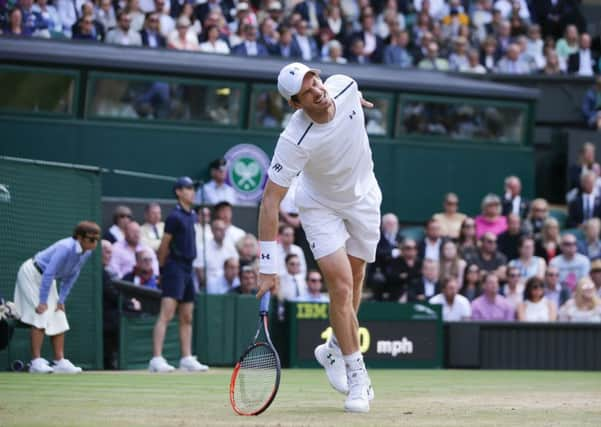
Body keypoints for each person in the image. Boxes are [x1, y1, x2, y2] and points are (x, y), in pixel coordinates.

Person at [256, 62, 379, 412]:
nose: (318, 90)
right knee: (340, 286)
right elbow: (270, 202)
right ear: (296, 105)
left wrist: (358, 99)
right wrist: (268, 267)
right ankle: (358, 378)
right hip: (319, 206)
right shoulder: (293, 140)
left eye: (316, 81)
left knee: (356, 281)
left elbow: (351, 93)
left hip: (365, 197)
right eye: (307, 91)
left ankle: (335, 350)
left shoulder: (344, 85)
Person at [13, 221, 100, 373]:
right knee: (41, 313)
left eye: (97, 240)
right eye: (91, 239)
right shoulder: (65, 247)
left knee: (58, 315)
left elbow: (73, 274)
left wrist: (61, 300)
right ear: (80, 237)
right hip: (32, 274)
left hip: (47, 279)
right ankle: (35, 362)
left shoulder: (87, 252)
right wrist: (42, 301)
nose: (94, 243)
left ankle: (59, 361)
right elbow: (49, 273)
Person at [149, 177, 208, 373]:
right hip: (174, 267)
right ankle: (156, 359)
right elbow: (164, 246)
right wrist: (163, 271)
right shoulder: (174, 217)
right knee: (166, 314)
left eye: (193, 188)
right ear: (179, 192)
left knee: (187, 316)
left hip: (188, 269)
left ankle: (186, 358)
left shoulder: (192, 215)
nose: (192, 191)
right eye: (188, 188)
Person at [194, 218, 238, 291]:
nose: (222, 232)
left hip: (230, 285)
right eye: (219, 229)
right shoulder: (202, 248)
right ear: (212, 231)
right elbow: (200, 273)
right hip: (210, 287)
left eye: (224, 229)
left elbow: (236, 267)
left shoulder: (231, 247)